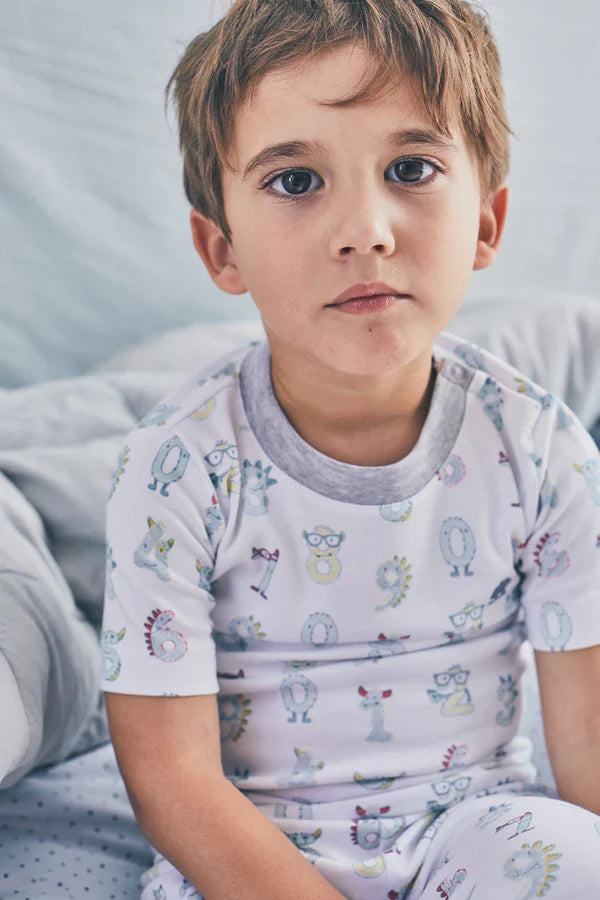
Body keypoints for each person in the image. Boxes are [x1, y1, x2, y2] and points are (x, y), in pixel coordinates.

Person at [100, 1, 600, 897]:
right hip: (249, 853)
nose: (366, 229)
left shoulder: (540, 448)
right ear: (222, 249)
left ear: (487, 224)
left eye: (411, 169)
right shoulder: (174, 470)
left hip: (473, 831)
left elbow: (591, 752)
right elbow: (172, 783)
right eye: (295, 181)